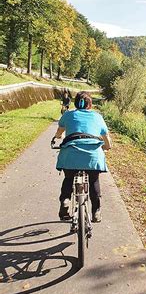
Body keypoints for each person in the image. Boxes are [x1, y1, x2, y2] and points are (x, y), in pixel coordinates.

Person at [54, 91, 112, 223]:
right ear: (90, 105)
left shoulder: (68, 115)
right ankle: (96, 211)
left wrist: (59, 137)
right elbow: (106, 139)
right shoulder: (97, 116)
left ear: (76, 103)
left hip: (70, 156)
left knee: (68, 178)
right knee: (93, 181)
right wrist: (107, 147)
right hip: (93, 157)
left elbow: (59, 133)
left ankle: (65, 201)